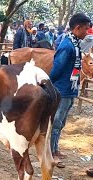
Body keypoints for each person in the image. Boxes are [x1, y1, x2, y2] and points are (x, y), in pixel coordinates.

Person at [50, 13, 91, 168]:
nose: (87, 32)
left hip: (71, 89)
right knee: (56, 122)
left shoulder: (74, 43)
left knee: (62, 122)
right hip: (62, 90)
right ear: (77, 27)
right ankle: (50, 152)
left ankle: (55, 148)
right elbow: (57, 68)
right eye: (86, 29)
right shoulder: (67, 45)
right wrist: (49, 85)